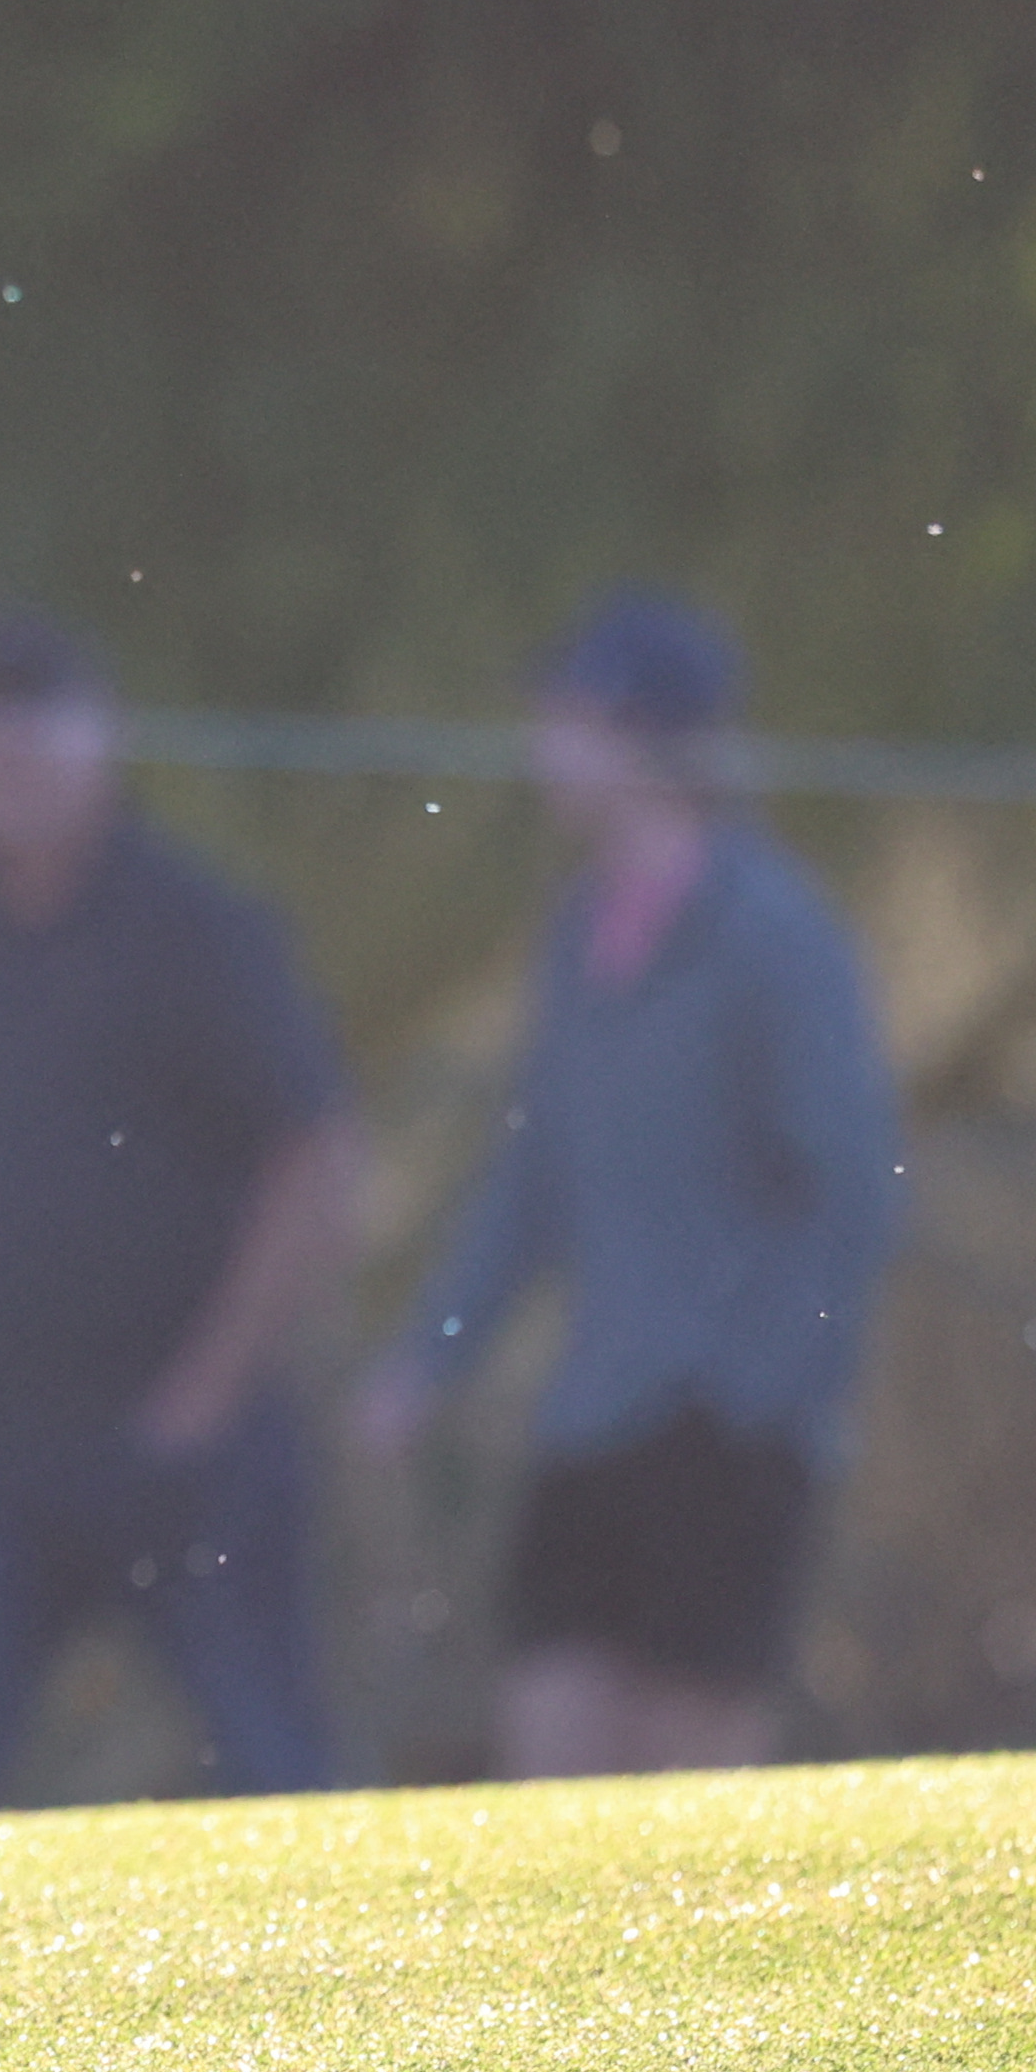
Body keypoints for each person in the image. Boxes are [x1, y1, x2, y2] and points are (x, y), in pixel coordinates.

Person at [357, 592, 902, 1779]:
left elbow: (850, 1189)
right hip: (593, 1419)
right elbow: (529, 1183)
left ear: (642, 737)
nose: (543, 750)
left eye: (569, 719)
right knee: (552, 1757)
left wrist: (770, 1394)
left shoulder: (772, 933)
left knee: (692, 1801)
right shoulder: (575, 934)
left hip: (728, 1433)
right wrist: (428, 1359)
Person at [0, 611, 368, 1818]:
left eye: (30, 730)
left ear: (100, 743)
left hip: (184, 1456)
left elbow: (318, 1155)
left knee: (277, 1780)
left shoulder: (193, 927)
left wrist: (204, 1393)